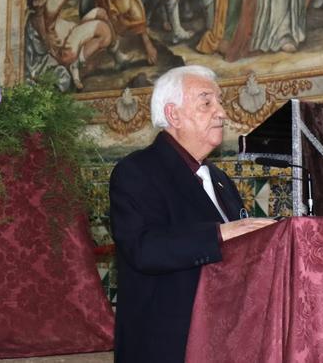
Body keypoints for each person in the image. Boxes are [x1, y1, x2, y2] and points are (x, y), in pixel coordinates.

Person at [109, 65, 273, 362]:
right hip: (166, 345)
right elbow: (145, 249)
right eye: (207, 102)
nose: (221, 112)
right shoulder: (136, 172)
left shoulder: (220, 179)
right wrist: (220, 233)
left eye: (220, 102)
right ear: (173, 115)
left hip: (226, 340)